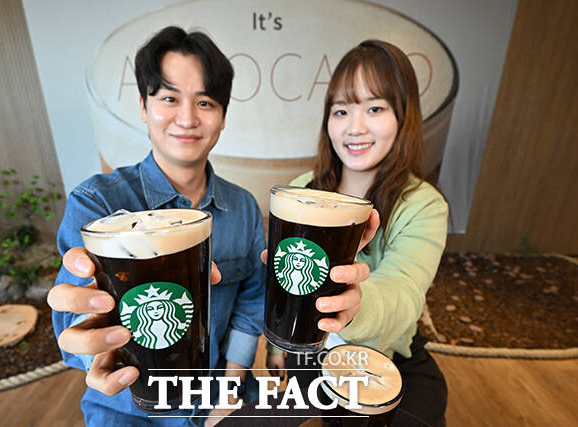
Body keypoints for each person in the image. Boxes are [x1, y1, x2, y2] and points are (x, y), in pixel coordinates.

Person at [48, 26, 379, 427]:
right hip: (128, 405)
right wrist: (91, 341)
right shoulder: (96, 204)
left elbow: (250, 303)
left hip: (219, 390)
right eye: (169, 98)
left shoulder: (242, 206)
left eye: (204, 102)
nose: (187, 118)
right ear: (143, 106)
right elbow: (75, 326)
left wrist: (230, 388)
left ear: (223, 118)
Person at [267, 40, 449, 426]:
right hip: (310, 351)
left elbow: (404, 292)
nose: (355, 127)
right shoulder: (300, 191)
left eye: (375, 108)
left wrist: (353, 307)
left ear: (403, 116)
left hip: (390, 355)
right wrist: (277, 350)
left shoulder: (423, 205)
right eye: (341, 110)